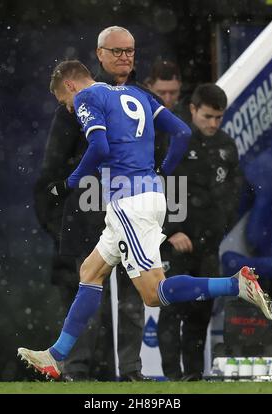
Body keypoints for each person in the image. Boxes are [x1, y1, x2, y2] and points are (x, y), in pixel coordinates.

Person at [17, 60, 272, 380]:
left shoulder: (86, 97)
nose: (68, 109)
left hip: (129, 205)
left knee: (153, 293)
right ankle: (56, 356)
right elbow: (181, 132)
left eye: (63, 102)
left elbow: (98, 146)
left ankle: (236, 285)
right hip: (144, 198)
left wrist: (69, 183)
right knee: (90, 271)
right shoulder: (138, 95)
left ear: (70, 86)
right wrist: (161, 172)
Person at [36, 26, 156, 381]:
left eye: (130, 51)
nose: (124, 57)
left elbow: (160, 155)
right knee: (89, 292)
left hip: (131, 204)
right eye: (116, 51)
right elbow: (52, 169)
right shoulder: (79, 101)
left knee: (135, 297)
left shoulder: (142, 96)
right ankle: (77, 371)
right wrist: (61, 215)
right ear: (99, 54)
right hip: (89, 212)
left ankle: (132, 371)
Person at [153, 80, 245, 381]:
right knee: (172, 310)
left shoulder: (225, 145)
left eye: (219, 117)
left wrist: (221, 226)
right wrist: (172, 230)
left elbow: (235, 188)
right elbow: (160, 186)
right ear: (192, 109)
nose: (213, 123)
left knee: (201, 312)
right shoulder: (175, 138)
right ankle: (171, 377)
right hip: (176, 243)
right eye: (207, 116)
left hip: (208, 243)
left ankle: (193, 377)